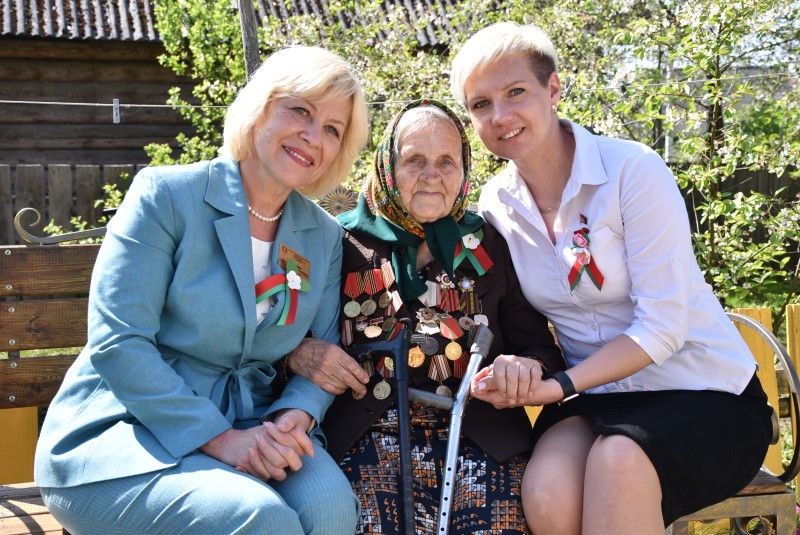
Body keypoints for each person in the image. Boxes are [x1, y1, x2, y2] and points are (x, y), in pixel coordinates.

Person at [449, 21, 774, 534]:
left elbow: (662, 328)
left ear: (553, 89)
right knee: (547, 492)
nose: (500, 116)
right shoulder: (496, 205)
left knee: (618, 461)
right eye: (481, 104)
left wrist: (559, 386)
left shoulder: (632, 171)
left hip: (703, 389)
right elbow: (510, 317)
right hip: (597, 399)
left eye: (516, 92)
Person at [33, 45, 369, 534]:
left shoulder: (323, 235)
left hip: (257, 423)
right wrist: (219, 438)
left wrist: (294, 417)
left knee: (332, 510)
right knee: (261, 520)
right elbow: (119, 342)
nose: (313, 136)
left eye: (333, 129)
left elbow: (324, 352)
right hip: (128, 429)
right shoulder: (166, 195)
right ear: (260, 108)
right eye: (300, 110)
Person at [287, 98, 564, 534]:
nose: (432, 175)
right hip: (369, 435)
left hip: (479, 434)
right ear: (387, 166)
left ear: (464, 170)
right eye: (414, 160)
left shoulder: (488, 243)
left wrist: (524, 365)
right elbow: (277, 334)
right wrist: (298, 352)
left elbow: (538, 347)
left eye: (446, 162)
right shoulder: (340, 242)